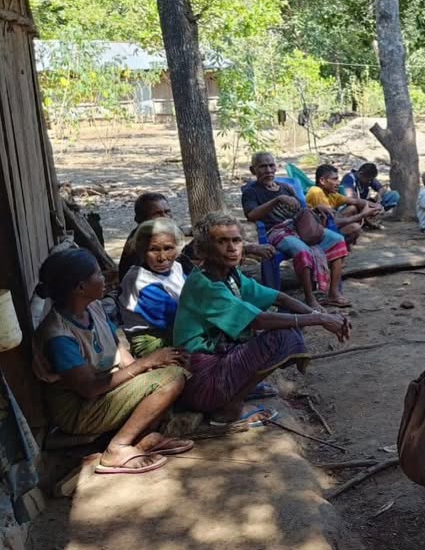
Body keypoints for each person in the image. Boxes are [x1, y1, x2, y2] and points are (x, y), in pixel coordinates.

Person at [172, 212, 351, 426]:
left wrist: (321, 316)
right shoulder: (205, 285)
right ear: (204, 249)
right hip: (200, 380)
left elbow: (279, 297)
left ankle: (237, 388)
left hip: (216, 365)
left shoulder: (230, 276)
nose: (232, 248)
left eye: (236, 240)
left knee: (288, 324)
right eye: (222, 241)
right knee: (282, 336)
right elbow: (257, 320)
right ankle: (228, 408)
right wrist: (320, 319)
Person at [32, 249, 191, 474]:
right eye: (98, 274)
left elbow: (119, 349)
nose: (105, 277)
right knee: (171, 378)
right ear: (80, 287)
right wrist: (145, 364)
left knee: (170, 368)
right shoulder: (58, 335)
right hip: (79, 410)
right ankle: (117, 448)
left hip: (101, 394)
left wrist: (147, 370)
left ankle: (143, 436)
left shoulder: (93, 308)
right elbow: (89, 389)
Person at [242, 152, 351, 309]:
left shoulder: (286, 187)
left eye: (271, 165)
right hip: (275, 231)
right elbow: (251, 215)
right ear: (253, 170)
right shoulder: (251, 191)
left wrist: (316, 208)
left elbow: (301, 209)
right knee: (302, 250)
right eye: (263, 167)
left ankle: (333, 293)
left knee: (338, 240)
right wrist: (276, 200)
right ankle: (310, 298)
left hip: (298, 227)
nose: (268, 170)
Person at [117, 192, 272, 281]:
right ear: (140, 219)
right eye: (157, 213)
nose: (165, 217)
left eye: (167, 212)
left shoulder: (162, 230)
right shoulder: (142, 242)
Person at [119, 218, 187, 358]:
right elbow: (176, 318)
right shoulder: (140, 281)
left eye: (168, 248)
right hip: (153, 341)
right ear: (141, 251)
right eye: (153, 250)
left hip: (178, 328)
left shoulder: (176, 268)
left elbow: (194, 293)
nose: (162, 257)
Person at [306, 164, 376, 243]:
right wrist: (362, 215)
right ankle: (335, 247)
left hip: (327, 224)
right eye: (334, 179)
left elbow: (355, 201)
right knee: (355, 228)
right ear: (322, 180)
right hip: (317, 231)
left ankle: (342, 244)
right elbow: (332, 223)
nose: (338, 183)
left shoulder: (331, 194)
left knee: (352, 208)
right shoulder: (316, 192)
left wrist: (376, 206)